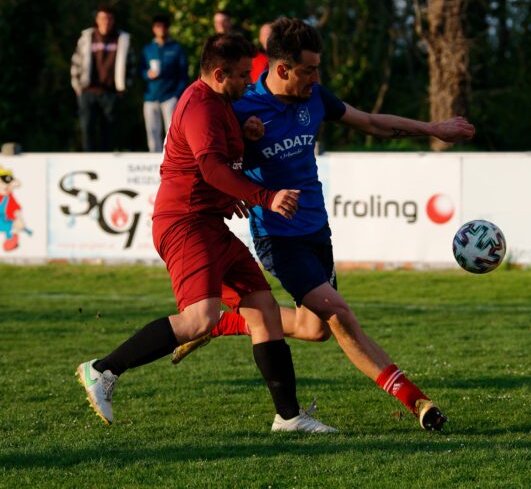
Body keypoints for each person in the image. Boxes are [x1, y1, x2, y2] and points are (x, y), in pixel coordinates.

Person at [171, 18, 475, 431]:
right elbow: (206, 157)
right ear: (282, 69)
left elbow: (371, 122)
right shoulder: (240, 106)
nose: (317, 77)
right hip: (278, 237)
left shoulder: (315, 98)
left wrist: (434, 129)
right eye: (309, 69)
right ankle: (417, 401)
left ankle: (225, 322)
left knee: (314, 329)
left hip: (317, 232)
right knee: (339, 314)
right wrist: (241, 139)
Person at [75, 33, 336, 433]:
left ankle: (289, 417)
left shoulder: (219, 104)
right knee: (199, 319)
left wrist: (243, 132)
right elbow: (212, 169)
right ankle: (103, 369)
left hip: (210, 223)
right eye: (242, 75)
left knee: (263, 309)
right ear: (219, 74)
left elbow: (222, 164)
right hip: (185, 224)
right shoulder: (199, 106)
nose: (249, 83)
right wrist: (265, 197)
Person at [71, 4, 131, 151]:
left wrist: (124, 88)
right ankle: (88, 160)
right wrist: (77, 86)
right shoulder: (87, 37)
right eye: (103, 18)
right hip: (88, 91)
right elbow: (76, 62)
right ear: (97, 20)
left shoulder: (121, 39)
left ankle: (106, 162)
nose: (106, 22)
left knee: (109, 130)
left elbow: (131, 65)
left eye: (109, 19)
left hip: (111, 92)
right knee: (87, 128)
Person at [140, 14, 188, 153]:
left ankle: (171, 160)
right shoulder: (147, 49)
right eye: (158, 26)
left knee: (171, 132)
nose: (161, 29)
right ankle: (154, 163)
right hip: (150, 96)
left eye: (164, 26)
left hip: (169, 97)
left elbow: (183, 75)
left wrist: (176, 96)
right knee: (152, 133)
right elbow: (141, 71)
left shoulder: (176, 48)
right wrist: (147, 74)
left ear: (168, 28)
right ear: (153, 28)